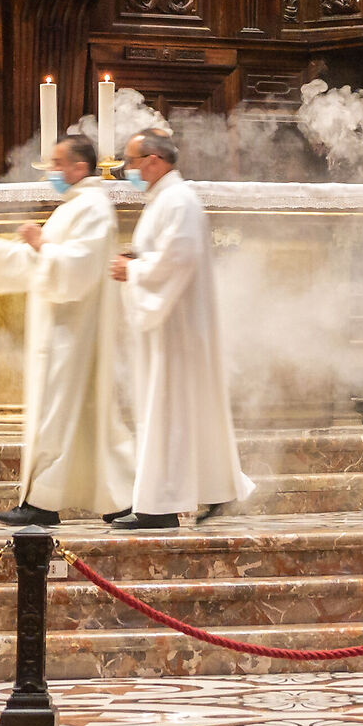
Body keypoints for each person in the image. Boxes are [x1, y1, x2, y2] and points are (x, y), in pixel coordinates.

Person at [0, 135, 134, 528]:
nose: (52, 171)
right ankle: (116, 499)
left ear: (79, 168)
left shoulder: (93, 208)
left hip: (74, 332)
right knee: (81, 418)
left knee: (61, 413)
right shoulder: (75, 206)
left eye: (58, 163)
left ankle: (45, 503)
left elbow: (79, 269)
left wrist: (41, 244)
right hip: (62, 330)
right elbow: (39, 259)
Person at [106, 129, 253, 530]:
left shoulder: (178, 199)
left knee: (169, 411)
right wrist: (136, 260)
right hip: (167, 324)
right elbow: (164, 253)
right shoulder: (164, 199)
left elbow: (179, 258)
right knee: (171, 411)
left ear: (154, 160)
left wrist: (132, 269)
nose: (127, 170)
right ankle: (184, 493)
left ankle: (161, 506)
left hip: (177, 328)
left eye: (132, 161)